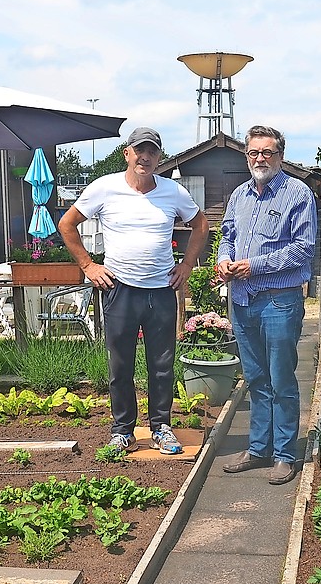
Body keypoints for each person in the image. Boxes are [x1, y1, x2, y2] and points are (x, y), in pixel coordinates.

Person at [58, 126, 209, 455]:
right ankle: (122, 430)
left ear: (159, 157)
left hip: (160, 291)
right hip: (120, 289)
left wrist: (186, 266)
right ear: (127, 154)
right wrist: (87, 265)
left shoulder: (173, 192)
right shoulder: (104, 187)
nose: (145, 157)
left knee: (162, 363)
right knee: (121, 364)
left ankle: (161, 427)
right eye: (139, 150)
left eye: (152, 151)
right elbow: (67, 224)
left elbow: (201, 225)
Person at [216, 125, 316, 484]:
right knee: (255, 379)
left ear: (280, 156)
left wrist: (253, 265)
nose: (260, 158)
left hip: (279, 302)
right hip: (242, 302)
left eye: (267, 152)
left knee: (281, 379)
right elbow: (227, 235)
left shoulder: (298, 194)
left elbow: (303, 248)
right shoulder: (239, 195)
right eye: (253, 152)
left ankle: (285, 455)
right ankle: (259, 449)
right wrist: (224, 259)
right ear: (246, 155)